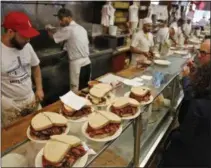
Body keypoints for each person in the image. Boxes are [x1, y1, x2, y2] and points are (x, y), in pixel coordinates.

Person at [1, 12, 44, 127]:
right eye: (24, 36)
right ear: (10, 32)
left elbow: (36, 67)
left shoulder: (27, 46)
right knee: (15, 137)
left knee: (40, 127)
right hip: (10, 105)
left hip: (30, 99)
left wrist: (39, 89)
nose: (28, 39)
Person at [46, 8, 91, 92]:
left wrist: (48, 30)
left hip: (76, 63)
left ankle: (73, 104)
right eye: (59, 19)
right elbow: (62, 31)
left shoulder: (68, 29)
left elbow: (52, 37)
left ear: (69, 17)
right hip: (87, 61)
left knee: (75, 89)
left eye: (61, 19)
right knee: (85, 87)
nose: (60, 22)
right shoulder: (81, 28)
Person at [179, 39, 210, 124]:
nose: (199, 56)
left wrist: (186, 77)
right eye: (199, 52)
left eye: (203, 53)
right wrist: (195, 71)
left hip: (196, 123)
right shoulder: (206, 69)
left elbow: (190, 94)